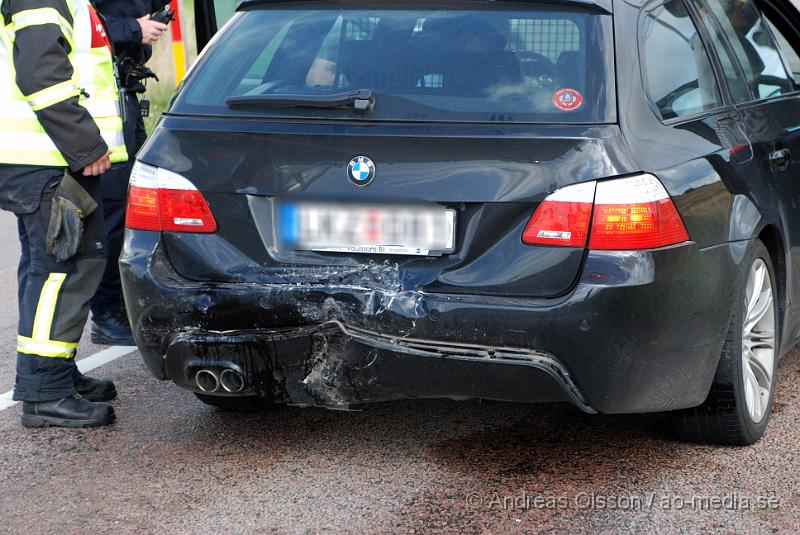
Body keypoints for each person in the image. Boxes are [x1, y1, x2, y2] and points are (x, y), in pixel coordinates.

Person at [0, 0, 128, 427]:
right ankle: (45, 390)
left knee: (50, 268)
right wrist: (85, 144)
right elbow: (42, 75)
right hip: (51, 155)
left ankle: (54, 370)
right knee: (63, 268)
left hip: (48, 155)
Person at [90, 0, 169, 345]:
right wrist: (135, 30)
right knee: (109, 214)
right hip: (95, 111)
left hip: (124, 97)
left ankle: (123, 305)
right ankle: (106, 313)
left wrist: (146, 28)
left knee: (128, 210)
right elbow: (81, 25)